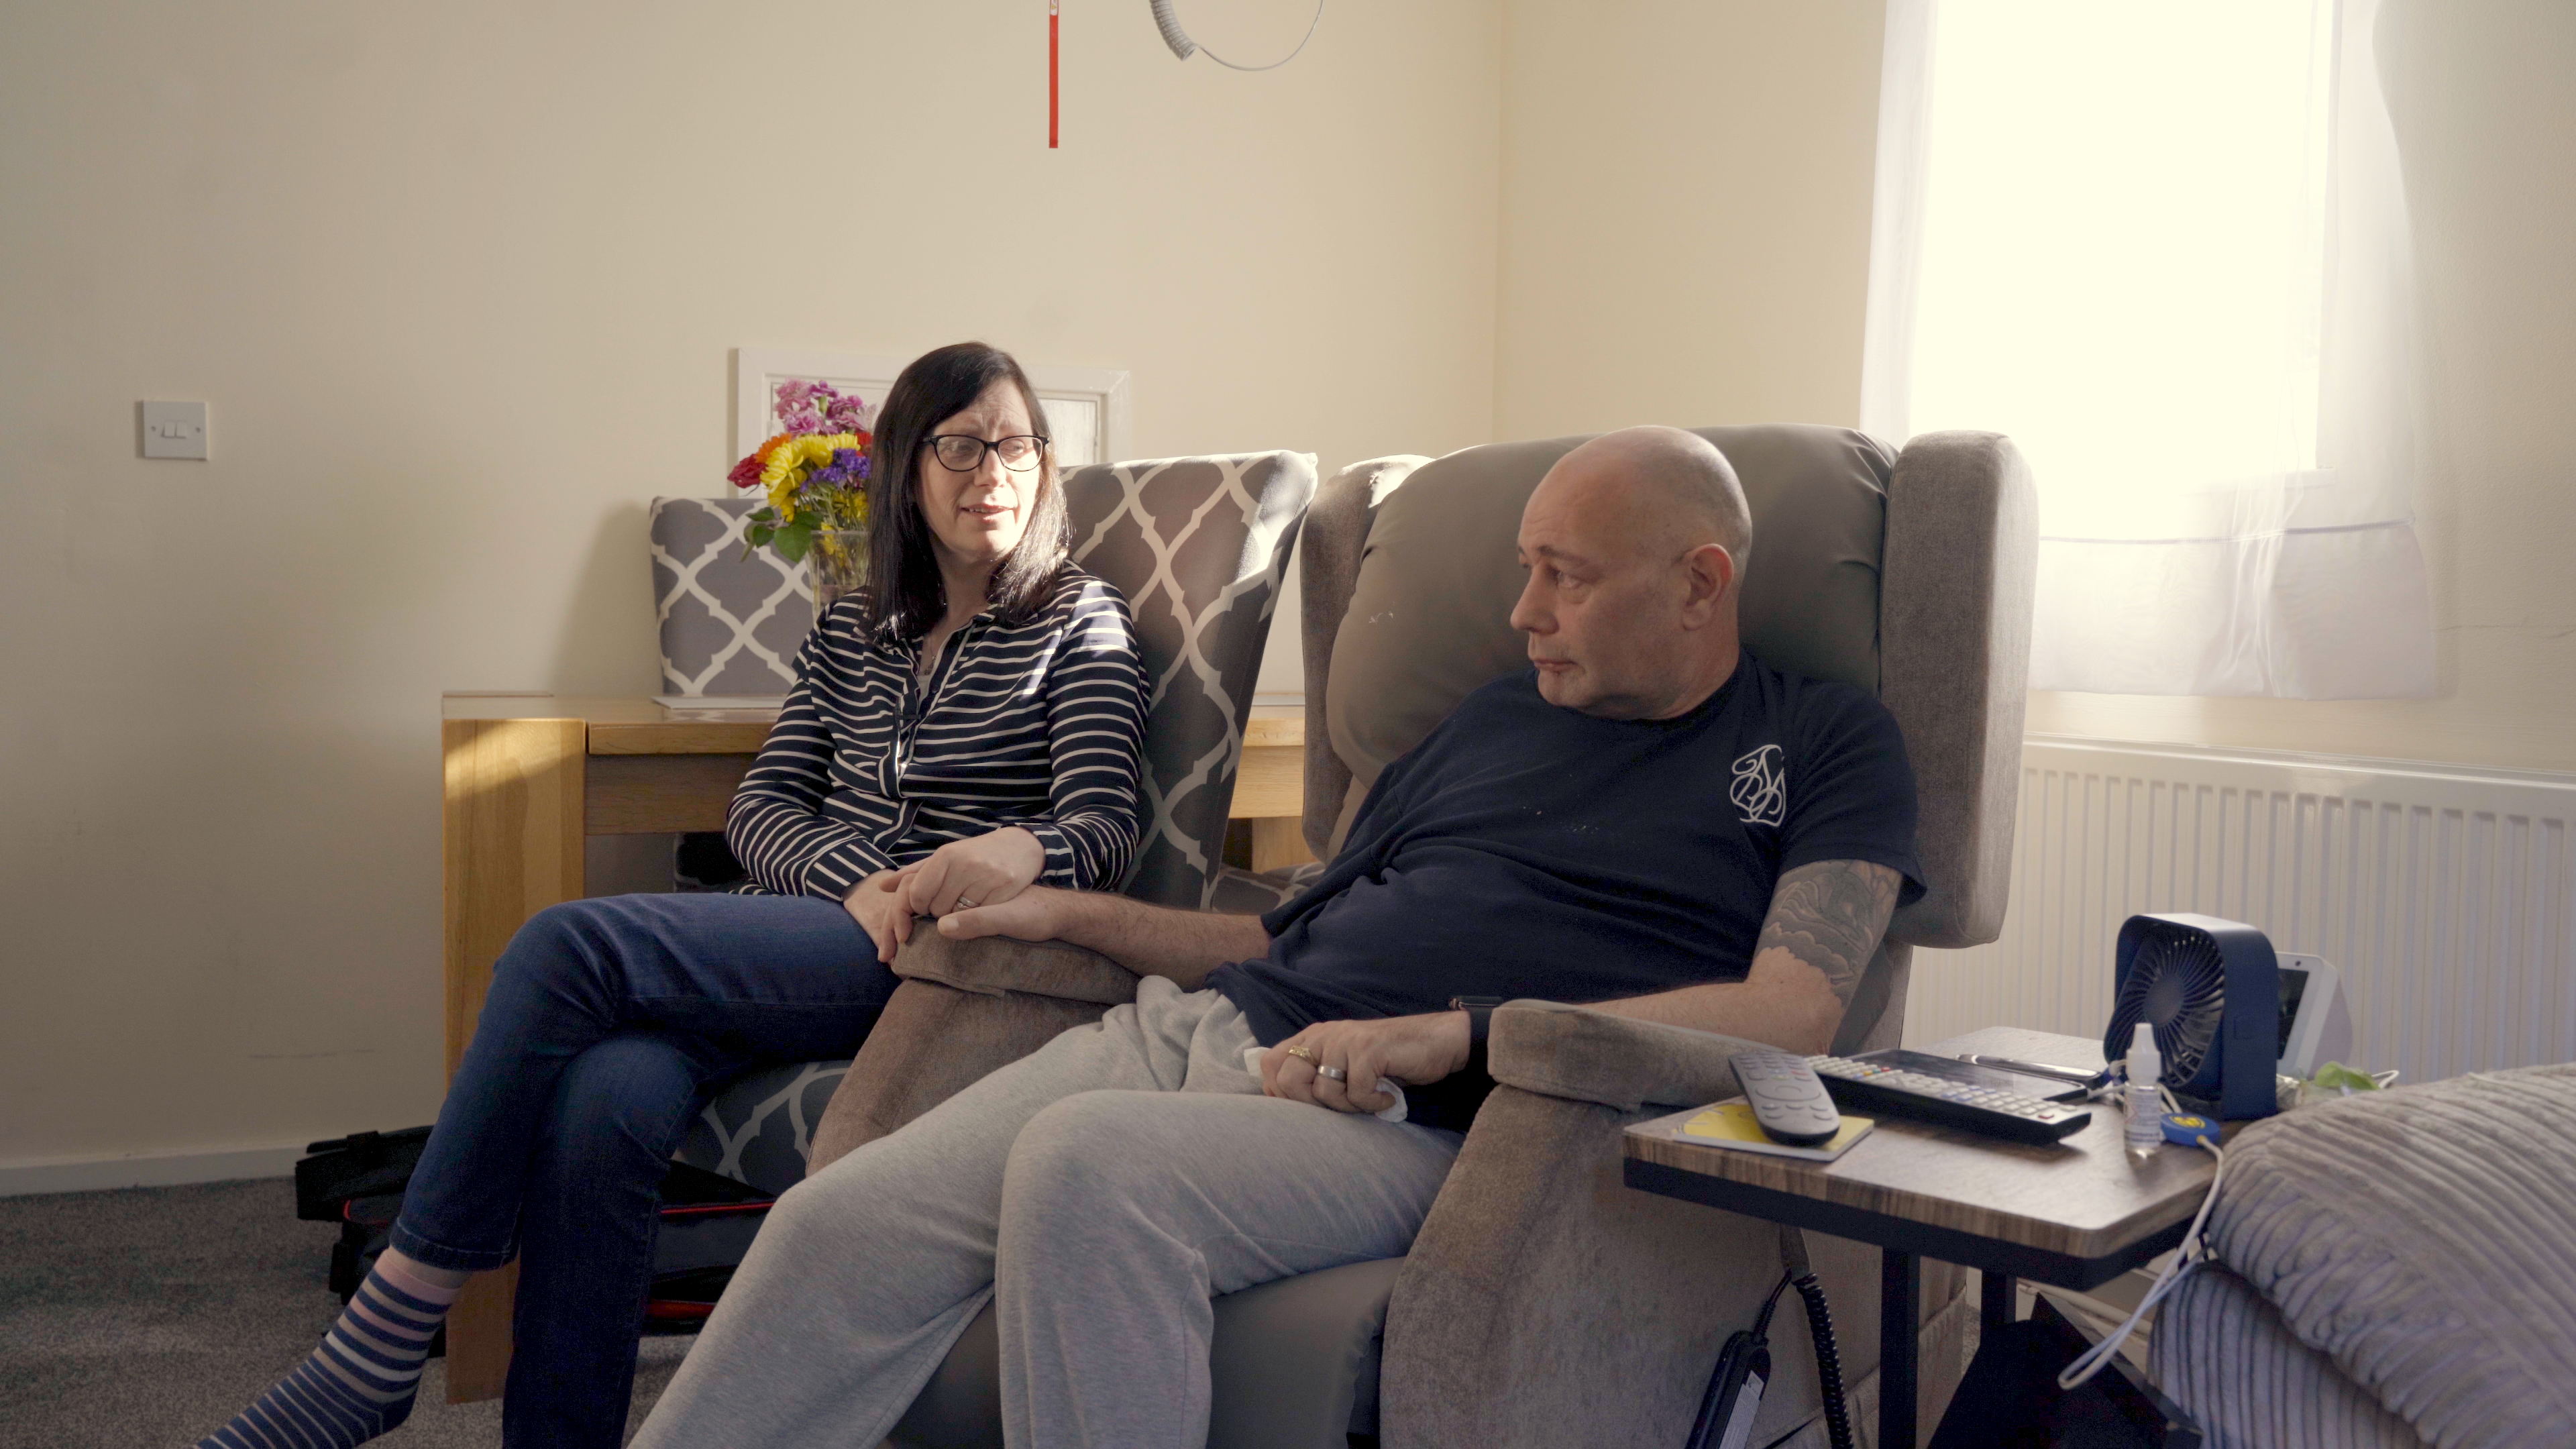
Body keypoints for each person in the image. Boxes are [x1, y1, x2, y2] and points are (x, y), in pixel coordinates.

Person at [625, 424, 1927, 1448]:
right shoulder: (1494, 717)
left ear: (1702, 584)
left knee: (1090, 1171)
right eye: (1526, 569)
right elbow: (1283, 938)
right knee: (830, 1226)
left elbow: (1795, 1014)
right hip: (1203, 1043)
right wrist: (1060, 912)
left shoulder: (1822, 742)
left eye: (1566, 579)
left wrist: (1456, 1039)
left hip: (1449, 1130)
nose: (1526, 612)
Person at [195, 342, 1149, 1449]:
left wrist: (1023, 851)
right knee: (603, 1098)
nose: (996, 470)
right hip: (827, 925)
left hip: (947, 957)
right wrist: (853, 880)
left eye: (1019, 443)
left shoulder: (1080, 620)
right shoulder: (853, 628)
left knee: (567, 947)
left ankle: (387, 1330)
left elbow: (1105, 826)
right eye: (962, 445)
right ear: (905, 468)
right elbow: (760, 808)